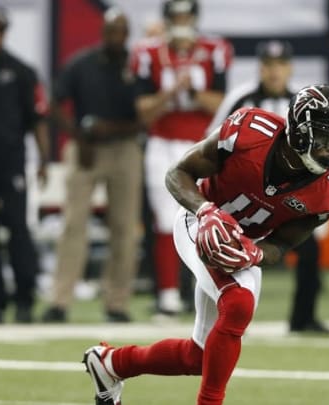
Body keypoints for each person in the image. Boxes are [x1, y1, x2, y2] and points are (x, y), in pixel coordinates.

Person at [80, 84, 329, 405]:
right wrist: (205, 210)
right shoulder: (250, 132)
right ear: (299, 131)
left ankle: (110, 364)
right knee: (238, 304)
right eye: (326, 138)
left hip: (244, 242)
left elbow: (282, 244)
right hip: (199, 219)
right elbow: (178, 173)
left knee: (200, 357)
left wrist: (256, 253)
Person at [209, 39, 329, 333]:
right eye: (268, 65)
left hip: (286, 200)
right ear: (259, 68)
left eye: (280, 65)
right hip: (243, 195)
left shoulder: (303, 105)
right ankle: (223, 315)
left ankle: (303, 317)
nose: (274, 72)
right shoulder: (240, 99)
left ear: (289, 68)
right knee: (225, 252)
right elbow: (212, 140)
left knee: (308, 250)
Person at [131, 0, 234, 317]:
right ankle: (168, 296)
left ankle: (209, 290)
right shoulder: (148, 53)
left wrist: (192, 94)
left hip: (201, 143)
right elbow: (143, 111)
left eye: (186, 16)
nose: (181, 22)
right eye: (176, 16)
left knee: (209, 217)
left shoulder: (214, 49)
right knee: (164, 220)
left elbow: (220, 101)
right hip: (162, 143)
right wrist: (173, 91)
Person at [40, 8, 143, 323]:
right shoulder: (82, 64)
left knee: (124, 229)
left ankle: (117, 303)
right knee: (73, 224)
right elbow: (53, 104)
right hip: (85, 149)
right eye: (110, 31)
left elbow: (147, 116)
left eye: (120, 31)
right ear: (103, 33)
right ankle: (60, 300)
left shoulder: (138, 67)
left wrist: (109, 130)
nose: (115, 37)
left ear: (127, 35)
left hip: (125, 148)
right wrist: (77, 136)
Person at [0, 5, 50, 324]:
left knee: (18, 229)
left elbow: (38, 118)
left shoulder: (20, 71)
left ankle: (25, 300)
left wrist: (44, 159)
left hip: (10, 162)